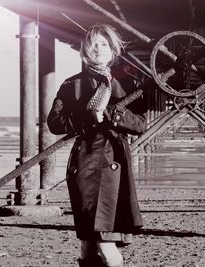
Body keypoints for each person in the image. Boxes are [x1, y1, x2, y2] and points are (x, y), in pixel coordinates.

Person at [47, 24, 147, 267]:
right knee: (90, 240)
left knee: (101, 240)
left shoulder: (128, 85)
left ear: (113, 50)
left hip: (114, 163)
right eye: (94, 45)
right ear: (85, 50)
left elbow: (140, 124)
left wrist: (113, 114)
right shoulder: (73, 84)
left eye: (104, 44)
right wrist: (86, 117)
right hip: (84, 162)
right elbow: (54, 122)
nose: (98, 49)